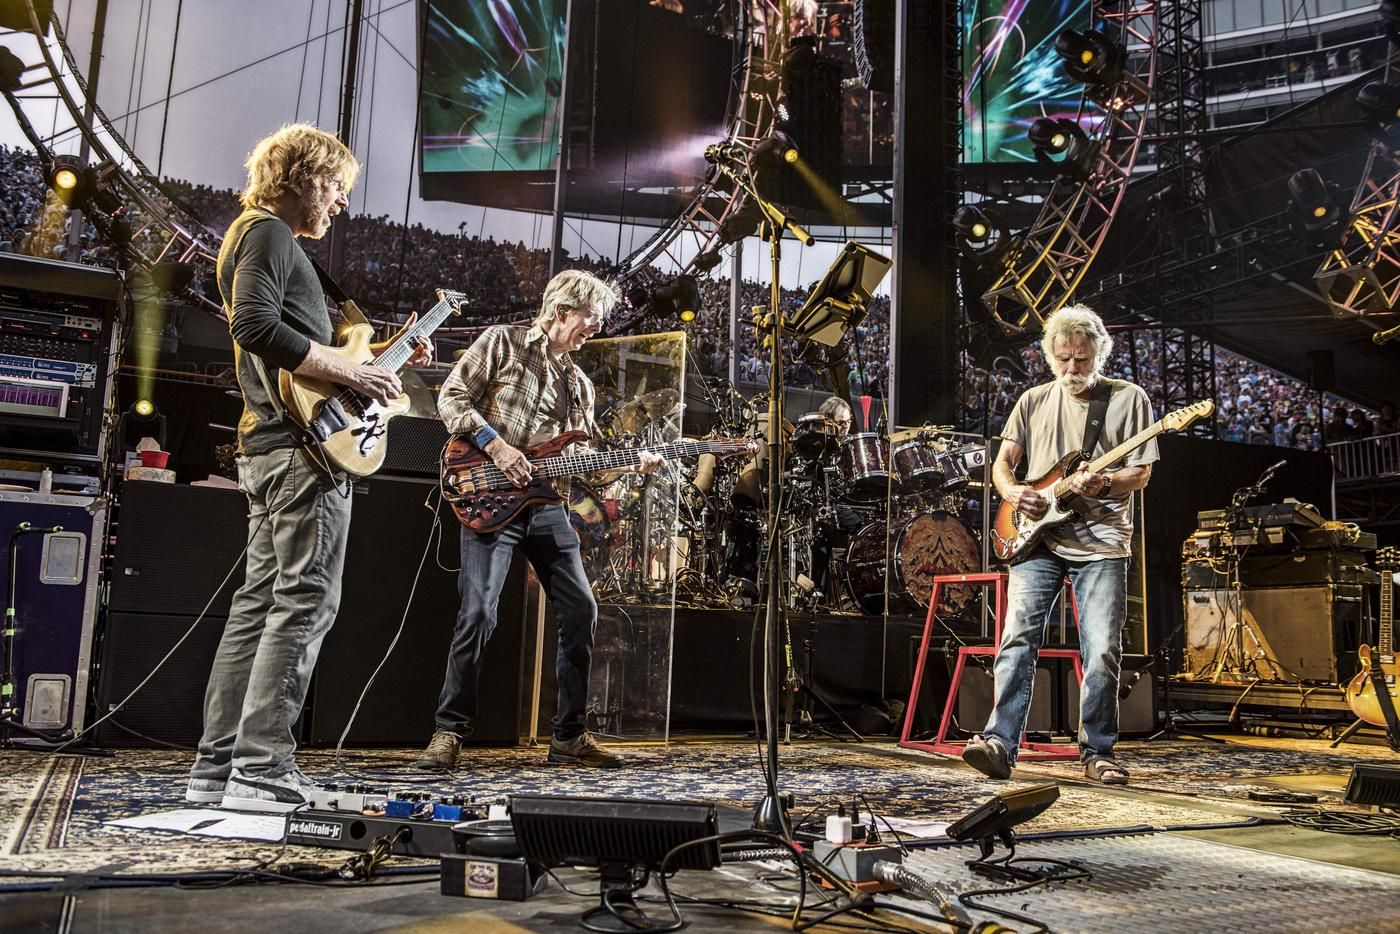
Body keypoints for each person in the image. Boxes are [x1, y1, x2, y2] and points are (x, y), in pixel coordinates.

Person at [187, 124, 431, 812]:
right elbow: (255, 327)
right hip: (302, 454)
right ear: (302, 176)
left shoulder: (259, 237)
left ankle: (218, 769)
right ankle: (263, 769)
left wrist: (378, 357)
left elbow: (309, 360)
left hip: (271, 445)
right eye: (337, 186)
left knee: (257, 606)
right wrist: (351, 370)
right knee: (304, 601)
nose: (343, 202)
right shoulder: (267, 233)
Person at [420, 269, 662, 771]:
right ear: (561, 311)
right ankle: (449, 731)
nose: (596, 328)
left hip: (548, 506)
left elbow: (583, 461)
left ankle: (568, 736)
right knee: (478, 614)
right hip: (488, 495)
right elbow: (452, 398)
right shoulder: (501, 343)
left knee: (582, 610)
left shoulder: (579, 384)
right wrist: (498, 447)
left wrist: (630, 465)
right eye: (591, 317)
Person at [962, 304, 1156, 786]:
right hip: (1038, 539)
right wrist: (1013, 493)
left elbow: (1141, 473)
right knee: (1017, 639)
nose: (1072, 368)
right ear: (1050, 356)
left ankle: (1097, 751)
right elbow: (1003, 465)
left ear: (1099, 353)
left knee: (1103, 650)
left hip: (1102, 541)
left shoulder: (1129, 399)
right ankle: (999, 744)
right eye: (1063, 359)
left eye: (1082, 359)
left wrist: (1104, 482)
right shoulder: (1032, 400)